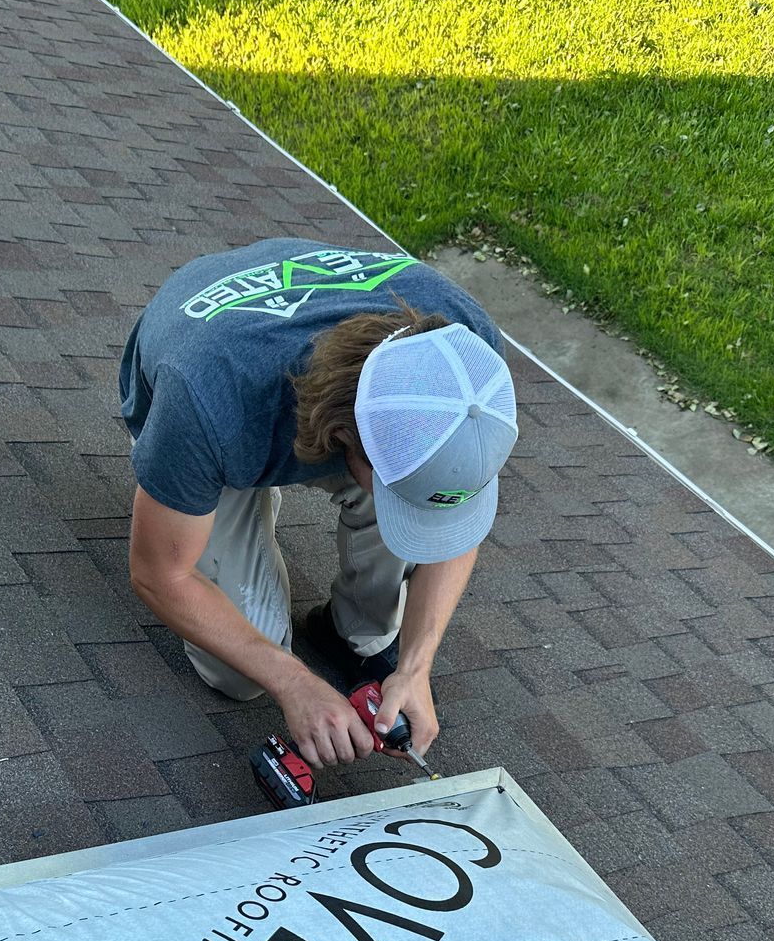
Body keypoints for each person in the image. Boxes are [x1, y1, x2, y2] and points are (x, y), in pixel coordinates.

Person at [120, 238, 517, 769]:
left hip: (276, 385)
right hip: (211, 368)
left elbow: (452, 519)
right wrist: (293, 682)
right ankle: (227, 489)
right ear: (341, 437)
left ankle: (351, 631)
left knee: (409, 506)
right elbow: (158, 574)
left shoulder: (466, 359)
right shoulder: (205, 395)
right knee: (239, 678)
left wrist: (415, 665)